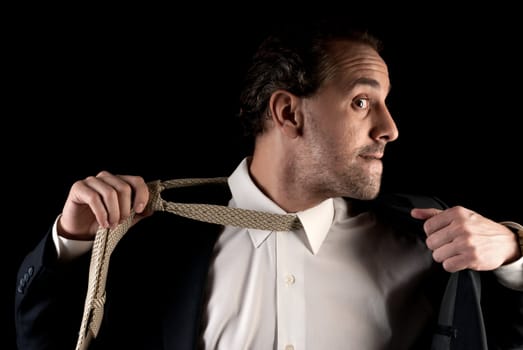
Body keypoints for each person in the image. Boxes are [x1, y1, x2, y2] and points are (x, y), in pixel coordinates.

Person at [15, 19, 523, 350]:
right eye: (363, 102)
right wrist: (74, 241)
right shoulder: (146, 238)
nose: (390, 128)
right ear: (287, 112)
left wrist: (514, 254)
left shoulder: (426, 239)